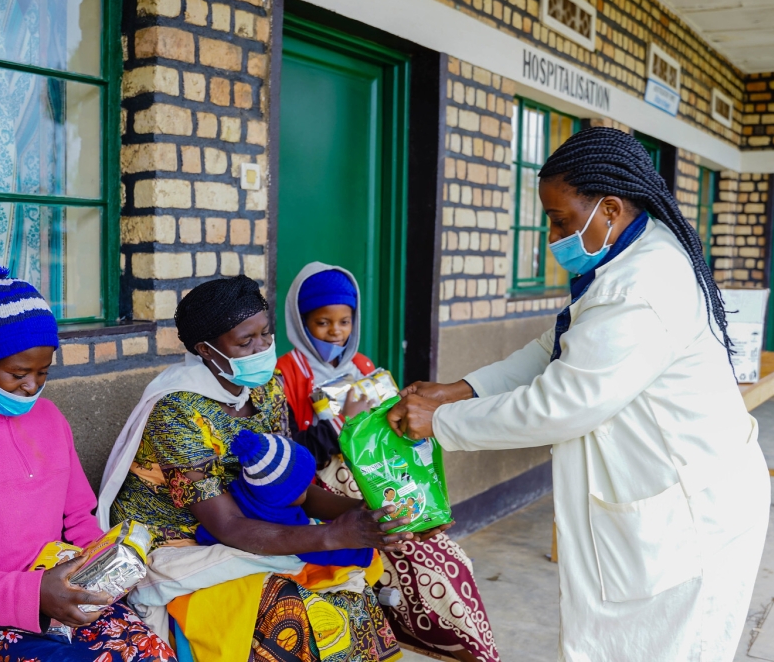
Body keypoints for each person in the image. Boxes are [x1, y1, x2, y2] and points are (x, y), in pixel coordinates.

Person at [388, 127, 771, 661]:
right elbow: (558, 346)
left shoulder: (639, 289)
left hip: (689, 521)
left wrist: (440, 422)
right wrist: (459, 390)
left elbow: (564, 405)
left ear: (609, 209)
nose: (553, 238)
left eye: (561, 220)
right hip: (675, 497)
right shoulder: (626, 259)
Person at [98, 276, 409, 662]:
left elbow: (288, 489)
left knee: (350, 590)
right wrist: (331, 536)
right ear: (205, 350)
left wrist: (365, 516)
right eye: (245, 342)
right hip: (177, 542)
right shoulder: (176, 412)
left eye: (265, 334)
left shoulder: (265, 388)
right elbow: (224, 526)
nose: (261, 348)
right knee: (293, 610)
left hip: (252, 523)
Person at [0, 267, 174, 662]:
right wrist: (31, 593)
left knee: (150, 651)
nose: (31, 387)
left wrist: (105, 563)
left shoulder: (51, 419)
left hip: (64, 596)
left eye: (42, 373)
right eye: (18, 374)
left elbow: (78, 517)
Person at [277, 263, 500, 662]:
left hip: (381, 481)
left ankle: (470, 643)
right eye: (322, 322)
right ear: (300, 321)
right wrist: (338, 422)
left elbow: (392, 442)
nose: (335, 332)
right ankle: (445, 635)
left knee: (440, 551)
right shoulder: (286, 374)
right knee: (406, 553)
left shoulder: (364, 368)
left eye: (344, 321)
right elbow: (290, 453)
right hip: (327, 491)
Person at [194, 430, 376, 568]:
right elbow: (314, 551)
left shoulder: (250, 487)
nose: (308, 490)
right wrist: (362, 552)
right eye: (303, 489)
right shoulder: (278, 516)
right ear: (285, 497)